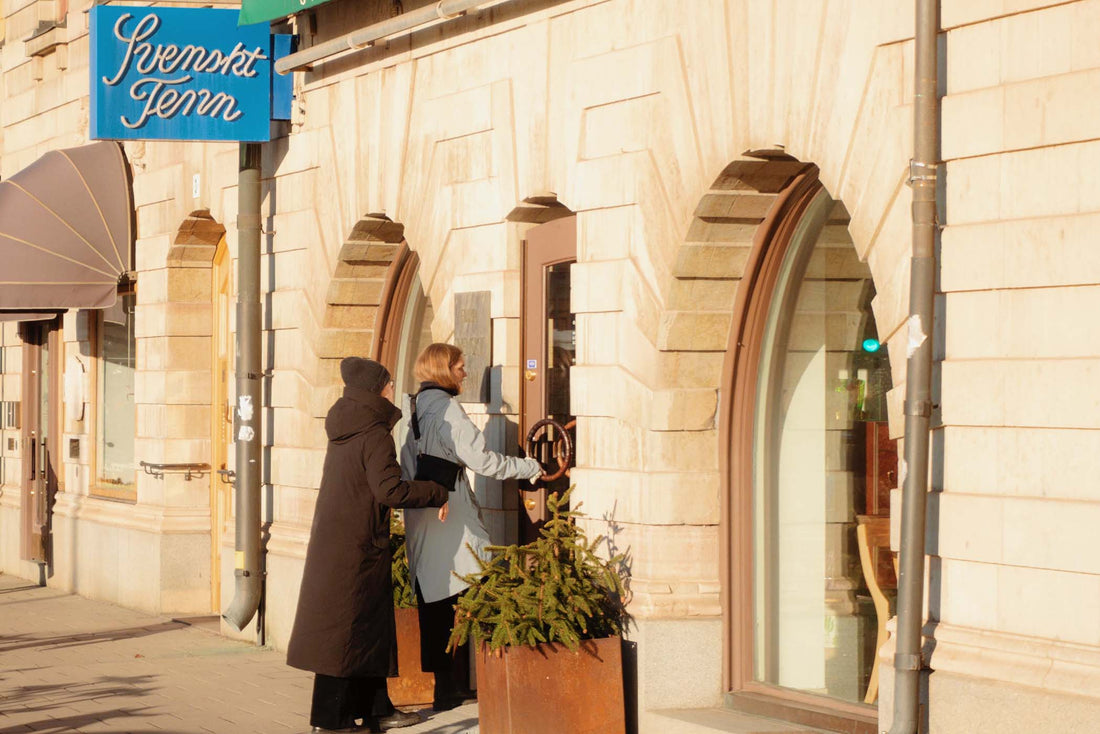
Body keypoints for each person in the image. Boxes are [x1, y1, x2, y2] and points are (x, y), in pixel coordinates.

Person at [287, 357, 449, 733]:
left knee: (363, 632)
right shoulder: (374, 432)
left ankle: (378, 709)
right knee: (342, 635)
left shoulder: (348, 425)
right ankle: (331, 723)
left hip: (342, 542)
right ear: (376, 389)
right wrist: (436, 490)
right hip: (356, 547)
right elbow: (389, 489)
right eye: (389, 383)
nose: (393, 388)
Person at [400, 343, 544, 711]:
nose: (466, 372)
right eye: (461, 366)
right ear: (444, 369)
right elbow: (482, 460)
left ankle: (448, 687)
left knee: (436, 598)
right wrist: (529, 467)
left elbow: (405, 464)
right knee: (468, 591)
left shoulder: (414, 408)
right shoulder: (448, 408)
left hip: (425, 511)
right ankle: (465, 684)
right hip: (451, 513)